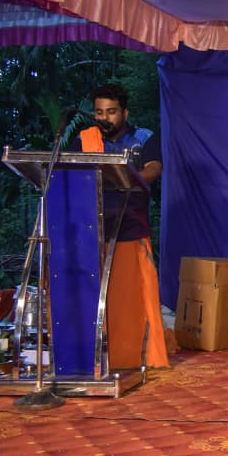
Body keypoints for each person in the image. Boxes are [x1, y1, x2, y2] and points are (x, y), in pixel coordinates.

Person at [75, 83, 169, 369]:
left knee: (133, 299)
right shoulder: (84, 140)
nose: (104, 118)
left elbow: (154, 168)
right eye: (99, 112)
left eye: (111, 112)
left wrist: (126, 178)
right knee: (96, 300)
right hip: (91, 231)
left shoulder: (143, 138)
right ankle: (95, 357)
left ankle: (137, 355)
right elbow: (72, 173)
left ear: (125, 113)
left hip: (131, 228)